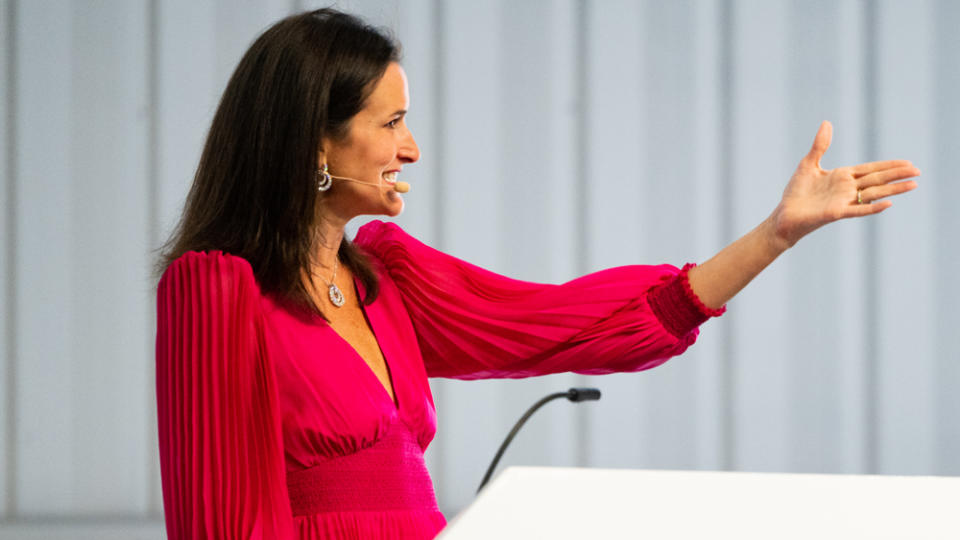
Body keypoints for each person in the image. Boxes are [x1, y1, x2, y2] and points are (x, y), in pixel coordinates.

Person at [154, 8, 919, 540]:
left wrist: (775, 235)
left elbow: (563, 326)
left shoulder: (387, 280)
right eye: (391, 124)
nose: (412, 148)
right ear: (315, 142)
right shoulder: (216, 293)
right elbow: (223, 524)